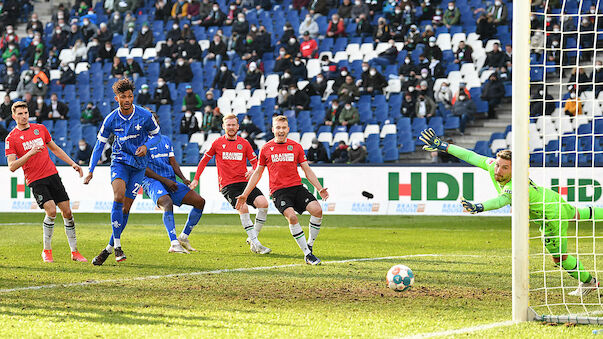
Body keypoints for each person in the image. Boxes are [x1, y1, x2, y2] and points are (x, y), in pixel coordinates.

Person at [419, 128, 602, 297]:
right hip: (550, 197)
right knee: (581, 213)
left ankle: (589, 282)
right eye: (498, 165)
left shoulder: (516, 185)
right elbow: (470, 155)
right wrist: (444, 146)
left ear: (515, 170)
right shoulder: (494, 167)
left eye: (504, 168)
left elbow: (501, 201)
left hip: (550, 217)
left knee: (559, 258)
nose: (498, 170)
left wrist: (479, 207)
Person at [84, 79, 161, 266]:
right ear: (116, 98)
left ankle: (108, 249)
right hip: (119, 162)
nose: (127, 99)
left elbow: (157, 135)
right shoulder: (111, 119)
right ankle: (118, 245)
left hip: (139, 166)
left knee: (126, 208)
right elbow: (99, 145)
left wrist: (146, 146)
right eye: (123, 96)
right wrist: (91, 170)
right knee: (118, 197)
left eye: (130, 96)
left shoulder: (143, 115)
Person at [235, 115, 328, 265]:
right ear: (273, 130)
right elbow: (258, 172)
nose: (281, 130)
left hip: (297, 187)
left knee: (317, 210)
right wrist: (245, 194)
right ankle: (307, 254)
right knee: (292, 217)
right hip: (279, 192)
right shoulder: (266, 148)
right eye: (278, 127)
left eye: (284, 128)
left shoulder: (296, 147)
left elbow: (307, 169)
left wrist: (319, 188)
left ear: (288, 130)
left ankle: (309, 244)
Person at [5, 101, 86, 263]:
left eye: (26, 112)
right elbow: (12, 166)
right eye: (20, 114)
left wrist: (73, 163)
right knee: (51, 211)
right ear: (14, 116)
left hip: (52, 175)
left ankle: (75, 252)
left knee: (68, 212)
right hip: (35, 179)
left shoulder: (40, 129)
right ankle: (47, 251)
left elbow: (55, 148)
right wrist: (30, 153)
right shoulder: (11, 138)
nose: (23, 116)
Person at [190, 114, 271, 254]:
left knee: (263, 204)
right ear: (223, 126)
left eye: (233, 125)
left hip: (245, 183)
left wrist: (252, 170)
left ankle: (253, 237)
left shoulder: (244, 143)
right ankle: (257, 244)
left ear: (238, 127)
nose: (231, 127)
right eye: (228, 125)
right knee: (243, 208)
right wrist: (196, 178)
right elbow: (203, 161)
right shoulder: (217, 143)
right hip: (228, 185)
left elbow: (256, 163)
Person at [142, 114, 206, 253]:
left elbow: (173, 162)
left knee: (200, 202)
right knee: (166, 203)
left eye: (155, 121)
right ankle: (174, 243)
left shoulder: (165, 140)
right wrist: (165, 181)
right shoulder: (140, 142)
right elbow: (143, 169)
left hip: (170, 179)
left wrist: (183, 178)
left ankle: (183, 237)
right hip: (152, 181)